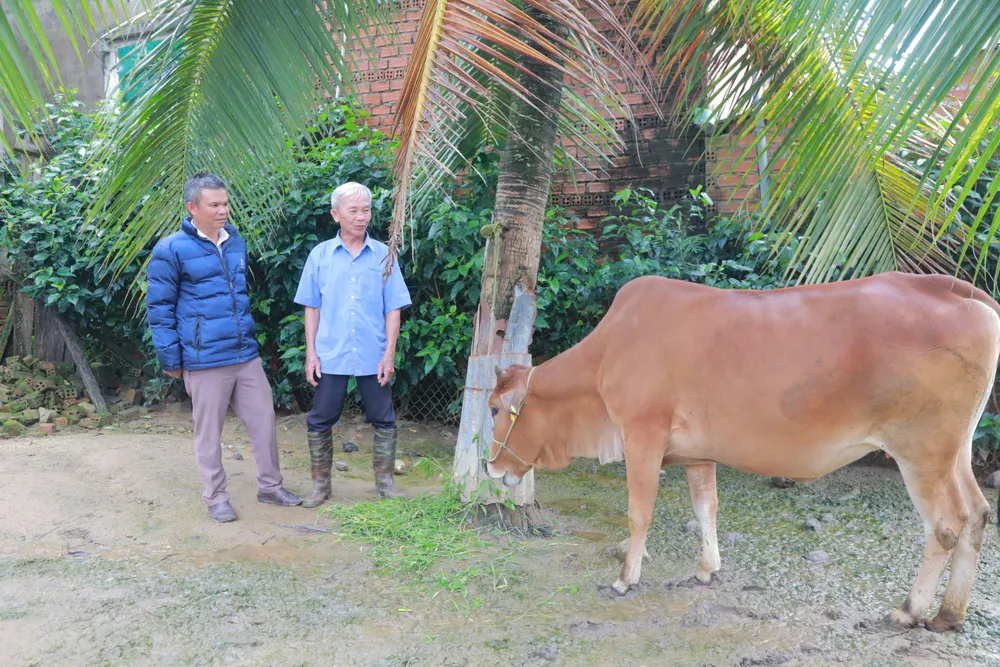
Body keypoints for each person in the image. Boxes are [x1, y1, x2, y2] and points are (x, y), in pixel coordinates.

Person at [147, 173, 302, 523]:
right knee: (209, 432)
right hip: (203, 360)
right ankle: (216, 497)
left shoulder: (236, 242)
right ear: (192, 208)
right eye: (214, 205)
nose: (223, 211)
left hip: (244, 354)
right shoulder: (170, 250)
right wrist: (171, 358)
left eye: (225, 203)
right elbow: (159, 310)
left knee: (264, 419)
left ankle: (270, 486)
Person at [294, 181, 412, 506]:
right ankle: (321, 487)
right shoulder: (320, 256)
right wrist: (311, 353)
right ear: (336, 214)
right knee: (320, 418)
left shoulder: (384, 256)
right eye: (354, 211)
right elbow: (312, 307)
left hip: (373, 354)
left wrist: (389, 354)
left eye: (366, 210)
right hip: (331, 354)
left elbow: (394, 309)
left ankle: (385, 483)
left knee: (384, 417)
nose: (362, 217)